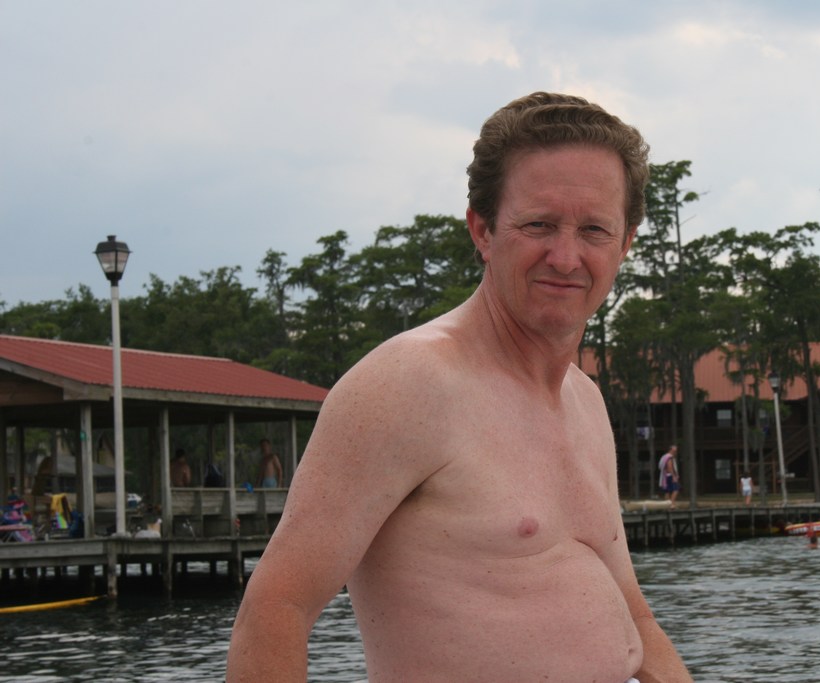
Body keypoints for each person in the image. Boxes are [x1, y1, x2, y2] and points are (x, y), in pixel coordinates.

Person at [227, 92, 692, 683]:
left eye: (594, 229)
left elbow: (633, 613)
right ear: (483, 230)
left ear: (624, 243)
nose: (565, 256)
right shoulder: (408, 384)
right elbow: (276, 608)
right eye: (539, 224)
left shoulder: (586, 401)